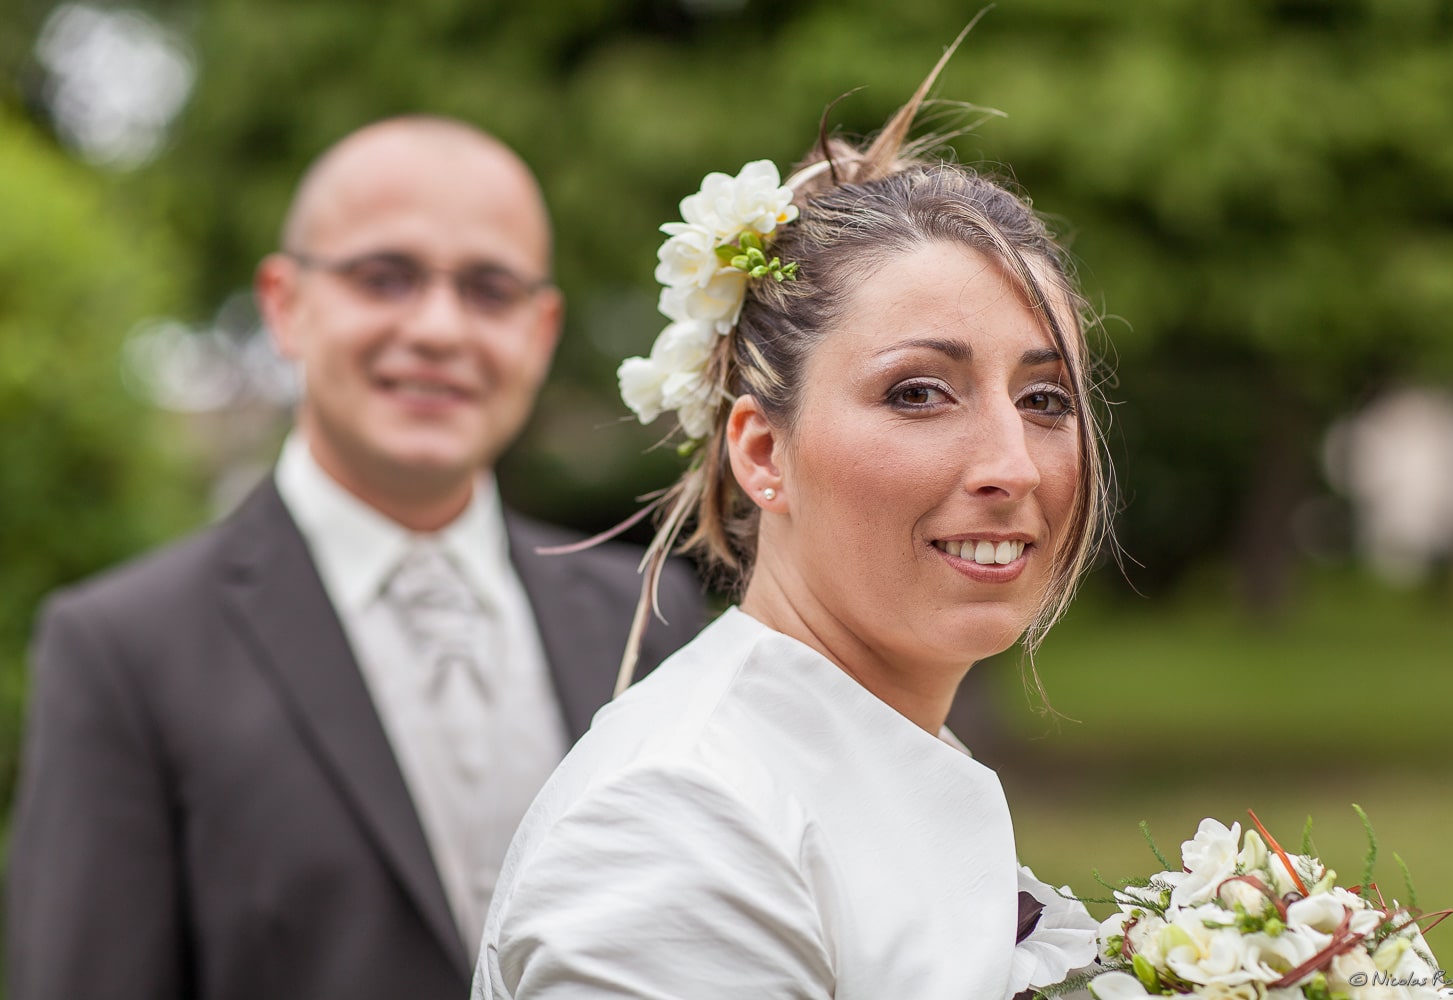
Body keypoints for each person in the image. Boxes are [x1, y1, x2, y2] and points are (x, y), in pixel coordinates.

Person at [6, 116, 705, 1000]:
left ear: (540, 328)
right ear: (284, 305)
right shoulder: (122, 652)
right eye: (386, 278)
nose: (440, 329)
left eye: (490, 291)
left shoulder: (649, 619)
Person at [471, 45, 1111, 1000]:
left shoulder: (873, 757)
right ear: (763, 452)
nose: (1013, 466)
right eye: (920, 392)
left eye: (1046, 401)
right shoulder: (679, 822)